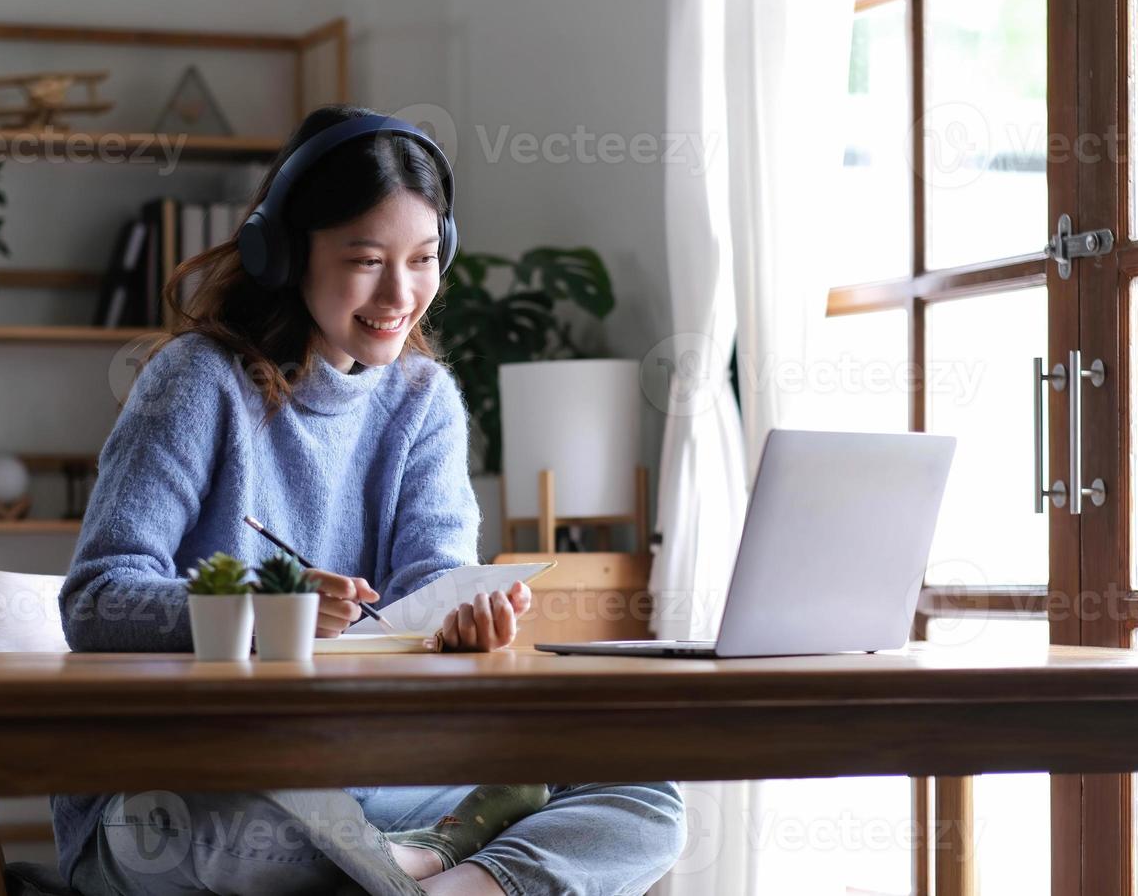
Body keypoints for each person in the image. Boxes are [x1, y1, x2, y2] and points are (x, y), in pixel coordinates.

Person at [54, 104, 687, 895]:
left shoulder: (423, 400)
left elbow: (432, 584)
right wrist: (267, 608)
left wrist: (464, 621)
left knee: (644, 795)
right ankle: (432, 863)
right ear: (282, 254)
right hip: (193, 778)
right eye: (366, 260)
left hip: (370, 774)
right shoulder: (194, 381)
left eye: (423, 259)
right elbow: (95, 599)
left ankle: (427, 876)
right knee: (236, 817)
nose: (401, 292)